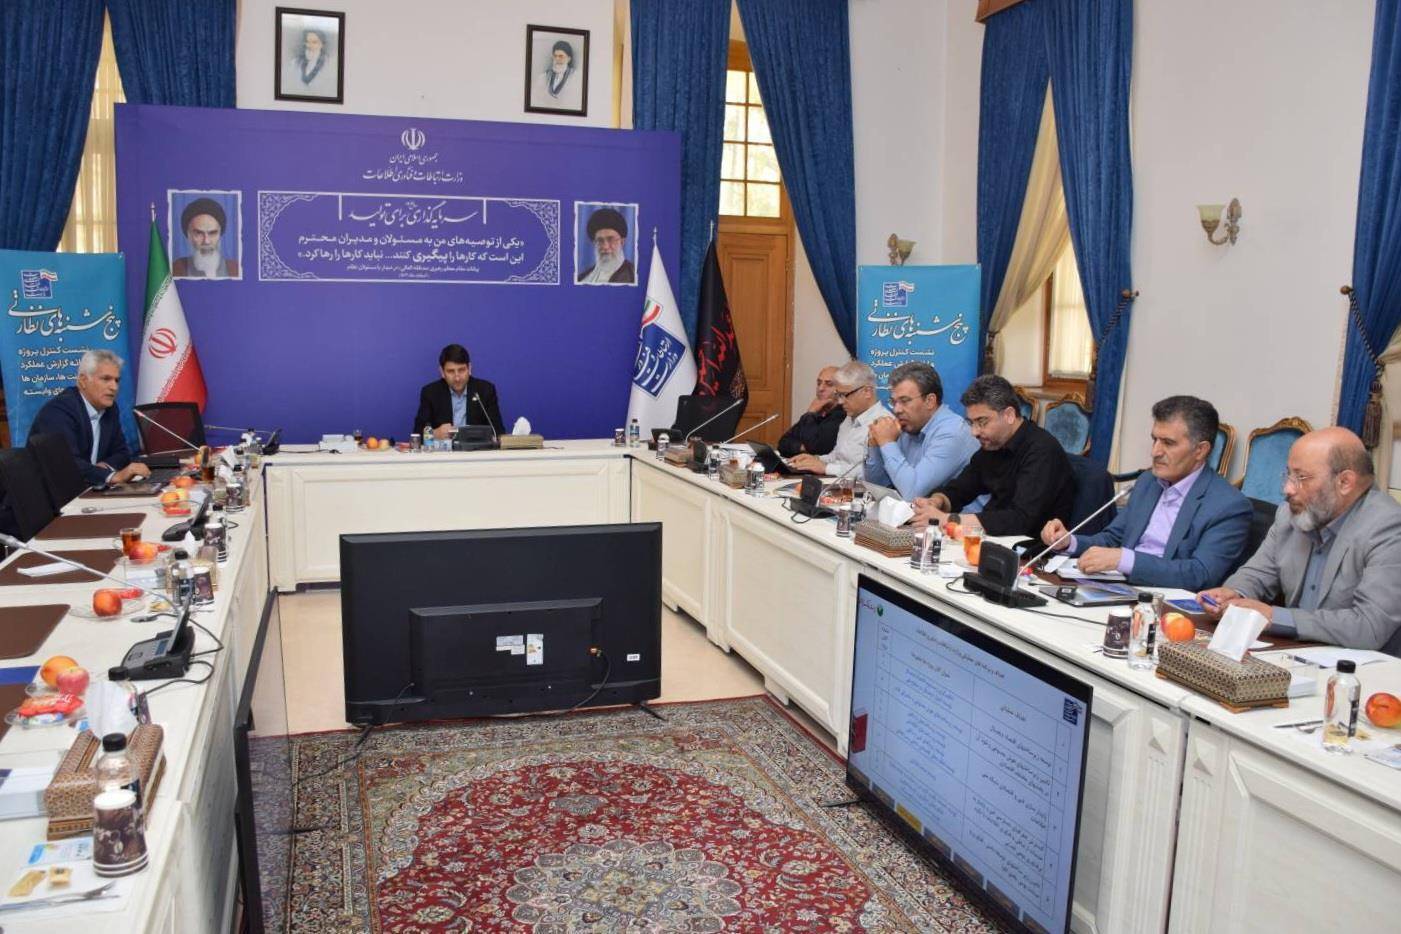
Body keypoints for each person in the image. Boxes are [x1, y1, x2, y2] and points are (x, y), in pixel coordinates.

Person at [1198, 427, 1401, 654]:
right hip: (1296, 654)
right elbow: (1257, 574)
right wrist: (1235, 594)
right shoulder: (1290, 514)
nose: (1287, 489)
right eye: (1288, 475)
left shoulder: (1388, 527)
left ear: (1345, 482)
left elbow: (1369, 627)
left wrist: (1275, 617)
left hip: (1363, 666)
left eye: (1301, 478)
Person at [1039, 395, 1251, 591]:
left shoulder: (1228, 505)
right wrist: (1069, 542)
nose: (1155, 452)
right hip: (1119, 588)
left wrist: (1125, 560)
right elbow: (1113, 538)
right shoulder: (1148, 482)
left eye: (1168, 443)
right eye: (1154, 440)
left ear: (1200, 450)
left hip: (1167, 602)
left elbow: (1200, 574)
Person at [913, 374, 1074, 538]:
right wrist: (937, 502)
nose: (974, 432)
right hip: (993, 538)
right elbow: (961, 488)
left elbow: (1021, 519)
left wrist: (948, 520)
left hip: (1030, 545)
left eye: (982, 422)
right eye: (971, 423)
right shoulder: (993, 445)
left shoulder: (1042, 450)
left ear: (1009, 415)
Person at [30, 350, 148, 487]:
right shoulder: (59, 411)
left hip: (89, 488)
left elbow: (122, 453)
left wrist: (104, 468)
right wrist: (111, 476)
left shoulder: (110, 409)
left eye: (117, 380)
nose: (114, 387)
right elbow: (67, 465)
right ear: (83, 381)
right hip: (52, 495)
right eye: (106, 379)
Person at [863, 361, 977, 501]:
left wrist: (887, 443)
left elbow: (913, 493)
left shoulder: (952, 433)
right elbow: (878, 487)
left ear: (930, 401)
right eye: (893, 402)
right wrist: (875, 446)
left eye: (905, 401)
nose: (896, 410)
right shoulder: (907, 427)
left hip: (959, 514)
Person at [789, 361, 890, 477]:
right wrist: (815, 459)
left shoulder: (884, 423)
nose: (841, 402)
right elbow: (837, 457)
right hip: (838, 483)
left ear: (867, 392)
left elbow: (876, 473)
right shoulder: (849, 418)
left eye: (845, 395)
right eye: (838, 395)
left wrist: (826, 468)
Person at [412, 344, 504, 441]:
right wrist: (434, 434)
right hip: (444, 450)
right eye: (451, 371)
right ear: (442, 372)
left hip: (475, 449)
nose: (457, 378)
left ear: (469, 369)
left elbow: (498, 432)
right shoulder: (430, 393)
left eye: (461, 370)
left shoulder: (485, 391)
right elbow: (416, 435)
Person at [777, 366, 844, 458]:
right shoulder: (815, 412)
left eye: (829, 384)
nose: (820, 388)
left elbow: (818, 449)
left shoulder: (841, 415)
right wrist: (803, 447)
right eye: (819, 383)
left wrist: (810, 413)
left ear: (840, 389)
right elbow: (783, 443)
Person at [172, 198, 239, 279]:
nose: (206, 241)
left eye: (212, 233)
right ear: (188, 235)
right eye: (199, 233)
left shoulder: (235, 269)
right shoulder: (177, 269)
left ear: (220, 234)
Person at [577, 208, 635, 284]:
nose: (605, 247)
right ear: (594, 243)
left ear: (622, 242)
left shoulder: (633, 276)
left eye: (611, 240)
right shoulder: (582, 278)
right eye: (600, 241)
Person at [283, 27, 338, 99]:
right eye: (307, 42)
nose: (310, 46)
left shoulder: (330, 65)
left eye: (314, 42)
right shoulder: (294, 63)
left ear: (322, 44)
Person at [531, 38, 582, 112]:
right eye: (555, 56)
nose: (557, 59)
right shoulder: (543, 77)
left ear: (568, 59)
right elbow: (534, 99)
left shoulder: (576, 77)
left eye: (561, 56)